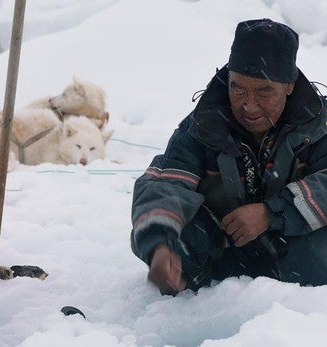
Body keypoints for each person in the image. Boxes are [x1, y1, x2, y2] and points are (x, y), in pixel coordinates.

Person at [130, 18, 327, 296]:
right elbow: (166, 184)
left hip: (297, 258)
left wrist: (272, 213)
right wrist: (159, 245)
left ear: (289, 85)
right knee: (174, 235)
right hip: (223, 260)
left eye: (264, 91)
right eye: (238, 88)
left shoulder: (320, 125)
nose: (249, 105)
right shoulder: (203, 125)